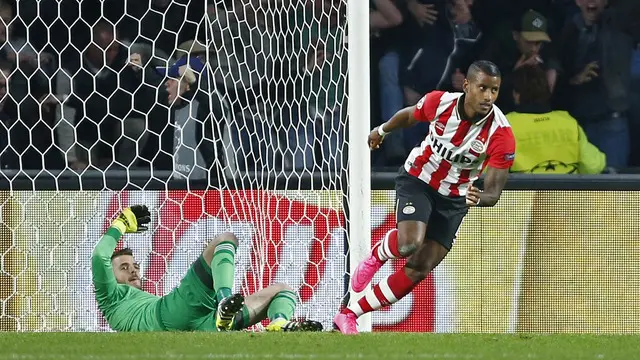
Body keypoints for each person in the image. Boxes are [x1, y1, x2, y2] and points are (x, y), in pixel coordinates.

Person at [333, 60, 516, 334]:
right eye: (483, 88)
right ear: (467, 86)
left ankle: (349, 314)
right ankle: (376, 256)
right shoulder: (440, 103)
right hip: (419, 179)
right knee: (409, 243)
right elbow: (409, 115)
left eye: (494, 90)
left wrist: (481, 197)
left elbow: (493, 191)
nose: (488, 97)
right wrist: (382, 130)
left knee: (420, 267)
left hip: (455, 198)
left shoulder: (501, 133)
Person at [91, 205, 323, 332]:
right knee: (225, 239)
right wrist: (120, 223)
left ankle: (279, 324)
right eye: (124, 267)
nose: (133, 271)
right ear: (107, 277)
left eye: (135, 266)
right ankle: (224, 300)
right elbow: (100, 255)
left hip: (204, 325)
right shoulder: (109, 296)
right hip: (170, 315)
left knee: (283, 290)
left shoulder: (138, 301)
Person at [507, 65, 605, 174]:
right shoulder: (568, 122)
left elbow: (488, 173)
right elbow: (592, 166)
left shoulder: (505, 126)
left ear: (516, 94)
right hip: (565, 190)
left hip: (524, 191)